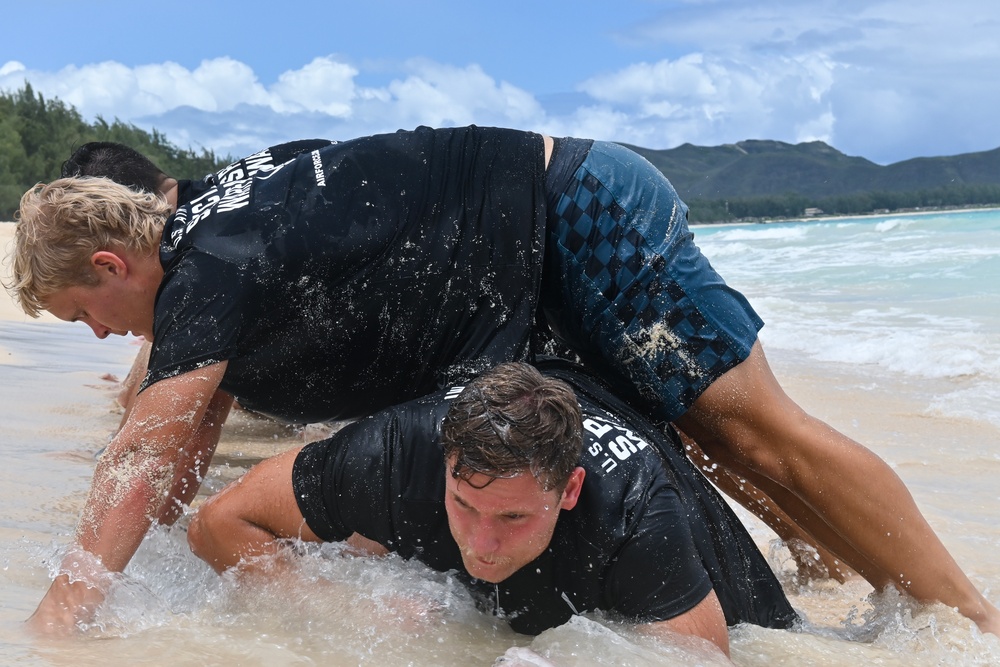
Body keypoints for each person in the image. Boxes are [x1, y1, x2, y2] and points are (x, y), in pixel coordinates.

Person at [8, 126, 999, 635]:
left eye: (81, 315)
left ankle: (968, 622)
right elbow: (174, 436)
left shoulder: (206, 266)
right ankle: (850, 578)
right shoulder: (212, 231)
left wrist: (59, 622)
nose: (97, 336)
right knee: (691, 437)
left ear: (110, 267)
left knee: (755, 430)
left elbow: (150, 440)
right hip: (527, 264)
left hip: (577, 215)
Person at [187, 361, 798, 659]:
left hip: (691, 553)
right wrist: (338, 604)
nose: (480, 543)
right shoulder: (394, 451)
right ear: (443, 466)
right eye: (464, 505)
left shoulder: (633, 513)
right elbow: (216, 524)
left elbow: (702, 658)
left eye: (512, 518)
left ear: (569, 491)